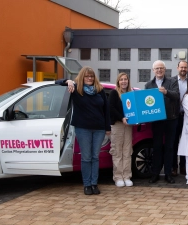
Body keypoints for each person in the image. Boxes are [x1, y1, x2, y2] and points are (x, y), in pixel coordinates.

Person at [55, 66, 111, 195]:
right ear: (82, 77)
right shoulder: (76, 89)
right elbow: (56, 83)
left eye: (91, 76)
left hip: (99, 129)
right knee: (86, 157)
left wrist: (107, 128)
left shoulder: (99, 90)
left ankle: (94, 184)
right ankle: (87, 185)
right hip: (83, 129)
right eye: (87, 76)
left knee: (95, 157)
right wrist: (67, 81)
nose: (90, 78)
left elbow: (106, 110)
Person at [145, 60, 180, 184]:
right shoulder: (148, 84)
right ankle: (155, 173)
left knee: (170, 147)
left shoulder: (172, 81)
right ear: (153, 70)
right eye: (157, 68)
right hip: (157, 121)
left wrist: (166, 92)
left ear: (165, 70)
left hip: (171, 119)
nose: (159, 70)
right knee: (157, 147)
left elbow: (176, 95)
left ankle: (168, 174)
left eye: (161, 68)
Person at [108, 72, 133, 187]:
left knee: (127, 151)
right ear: (118, 81)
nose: (124, 81)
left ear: (128, 81)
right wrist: (121, 118)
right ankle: (118, 177)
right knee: (117, 151)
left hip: (128, 126)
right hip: (117, 125)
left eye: (125, 79)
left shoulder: (131, 94)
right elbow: (111, 108)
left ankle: (127, 176)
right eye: (121, 79)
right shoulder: (114, 93)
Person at [172, 61, 188, 176]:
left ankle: (184, 166)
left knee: (186, 142)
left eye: (185, 67)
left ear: (187, 69)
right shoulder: (171, 81)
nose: (183, 69)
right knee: (174, 143)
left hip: (187, 117)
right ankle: (174, 167)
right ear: (177, 68)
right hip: (174, 116)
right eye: (181, 67)